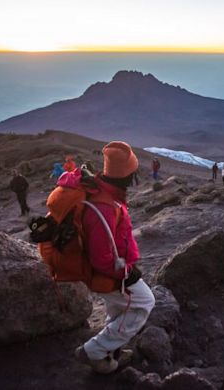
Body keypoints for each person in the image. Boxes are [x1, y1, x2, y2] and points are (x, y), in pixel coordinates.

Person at [75, 141, 155, 374]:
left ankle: (111, 352)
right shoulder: (105, 206)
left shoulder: (108, 194)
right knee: (144, 302)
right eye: (133, 171)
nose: (135, 176)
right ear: (126, 174)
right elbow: (101, 258)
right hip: (110, 273)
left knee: (119, 311)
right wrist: (127, 273)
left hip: (113, 270)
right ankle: (94, 351)